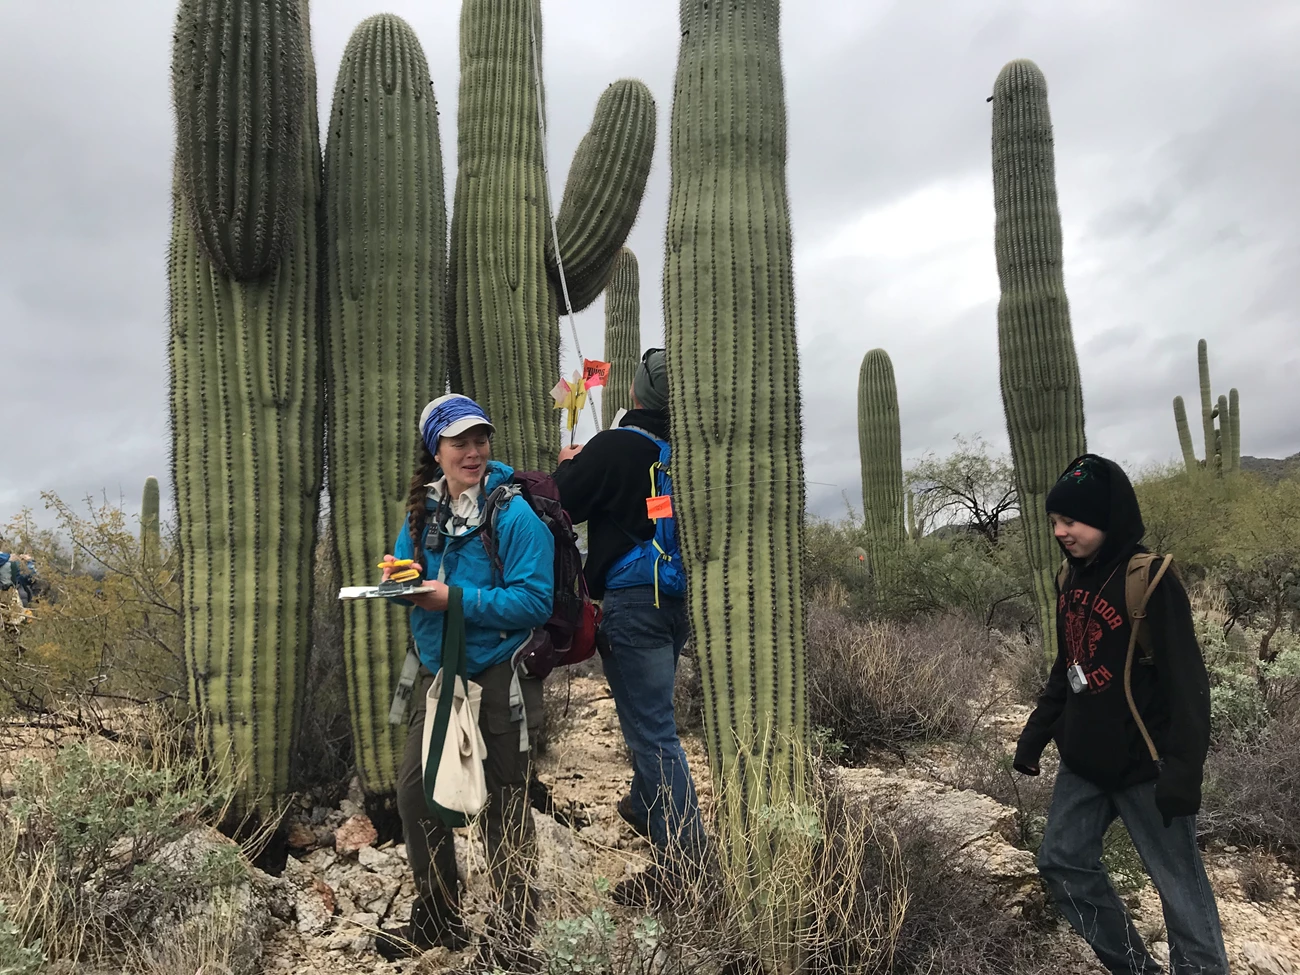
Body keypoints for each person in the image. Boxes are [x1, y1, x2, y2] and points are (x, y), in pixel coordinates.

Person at [1014, 454, 1229, 975]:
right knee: (1062, 865)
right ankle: (1136, 968)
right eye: (1054, 523)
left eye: (1072, 521)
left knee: (1182, 898)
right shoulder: (1071, 578)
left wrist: (1184, 769)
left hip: (1146, 767)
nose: (1061, 532)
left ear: (1107, 518)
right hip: (1085, 763)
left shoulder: (1150, 579)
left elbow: (1188, 684)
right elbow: (1069, 663)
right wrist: (1038, 731)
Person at [374, 394, 555, 965]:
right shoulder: (423, 513)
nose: (473, 452)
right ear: (437, 450)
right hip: (437, 674)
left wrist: (452, 598)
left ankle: (513, 935)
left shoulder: (513, 514)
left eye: (480, 440)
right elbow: (415, 581)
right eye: (460, 442)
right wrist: (402, 581)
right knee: (413, 791)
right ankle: (437, 917)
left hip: (501, 671)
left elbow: (534, 600)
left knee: (505, 801)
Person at [552, 348, 705, 907]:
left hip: (630, 604)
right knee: (655, 718)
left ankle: (688, 869)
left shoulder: (615, 446)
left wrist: (571, 463)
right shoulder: (689, 455)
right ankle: (644, 807)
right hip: (678, 602)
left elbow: (558, 502)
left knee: (652, 734)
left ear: (636, 392)